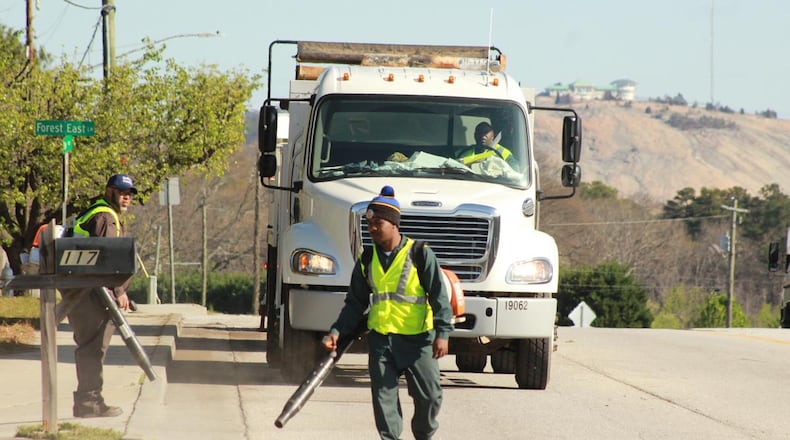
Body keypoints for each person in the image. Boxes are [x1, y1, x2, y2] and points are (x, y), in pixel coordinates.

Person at [322, 185, 454, 440]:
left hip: (418, 341)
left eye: (377, 223)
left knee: (430, 396)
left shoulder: (419, 254)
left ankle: (423, 434)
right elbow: (355, 303)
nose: (371, 228)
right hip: (382, 341)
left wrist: (443, 334)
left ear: (393, 224)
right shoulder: (366, 259)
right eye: (369, 223)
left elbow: (439, 296)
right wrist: (337, 331)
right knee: (384, 401)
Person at [66, 173, 137, 418]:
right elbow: (105, 259)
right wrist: (118, 290)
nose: (126, 197)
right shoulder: (106, 217)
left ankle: (89, 401)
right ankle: (89, 403)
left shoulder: (98, 212)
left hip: (83, 290)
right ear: (109, 192)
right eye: (121, 192)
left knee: (90, 347)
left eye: (129, 193)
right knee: (92, 349)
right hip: (91, 293)